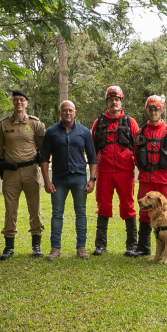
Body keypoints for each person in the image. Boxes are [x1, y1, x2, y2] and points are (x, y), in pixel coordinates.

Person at [40, 100, 98, 261]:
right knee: (57, 214)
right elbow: (44, 158)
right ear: (59, 113)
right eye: (64, 110)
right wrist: (46, 181)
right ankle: (55, 249)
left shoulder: (84, 132)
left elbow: (93, 158)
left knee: (81, 213)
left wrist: (92, 179)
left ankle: (81, 248)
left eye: (70, 110)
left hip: (79, 178)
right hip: (58, 179)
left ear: (75, 112)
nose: (67, 113)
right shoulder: (51, 133)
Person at [0, 90, 46, 259]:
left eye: (22, 100)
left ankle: (36, 245)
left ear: (26, 103)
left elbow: (41, 147)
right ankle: (9, 246)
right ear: (13, 102)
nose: (19, 103)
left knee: (34, 209)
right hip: (11, 172)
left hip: (31, 171)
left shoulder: (35, 124)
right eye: (16, 100)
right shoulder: (3, 125)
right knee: (10, 210)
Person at [91, 86, 141, 257]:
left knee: (128, 205)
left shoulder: (130, 122)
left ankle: (132, 245)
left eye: (117, 99)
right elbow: (92, 148)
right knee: (103, 206)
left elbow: (139, 147)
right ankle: (100, 245)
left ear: (121, 101)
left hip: (125, 171)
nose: (114, 102)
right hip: (104, 172)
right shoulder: (98, 123)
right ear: (107, 101)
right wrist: (93, 173)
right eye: (111, 99)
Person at [133, 95, 167, 256]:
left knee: (166, 213)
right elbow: (136, 156)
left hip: (165, 180)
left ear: (161, 110)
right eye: (150, 109)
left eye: (156, 109)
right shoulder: (140, 133)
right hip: (147, 180)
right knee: (143, 210)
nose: (153, 112)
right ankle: (143, 247)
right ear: (147, 110)